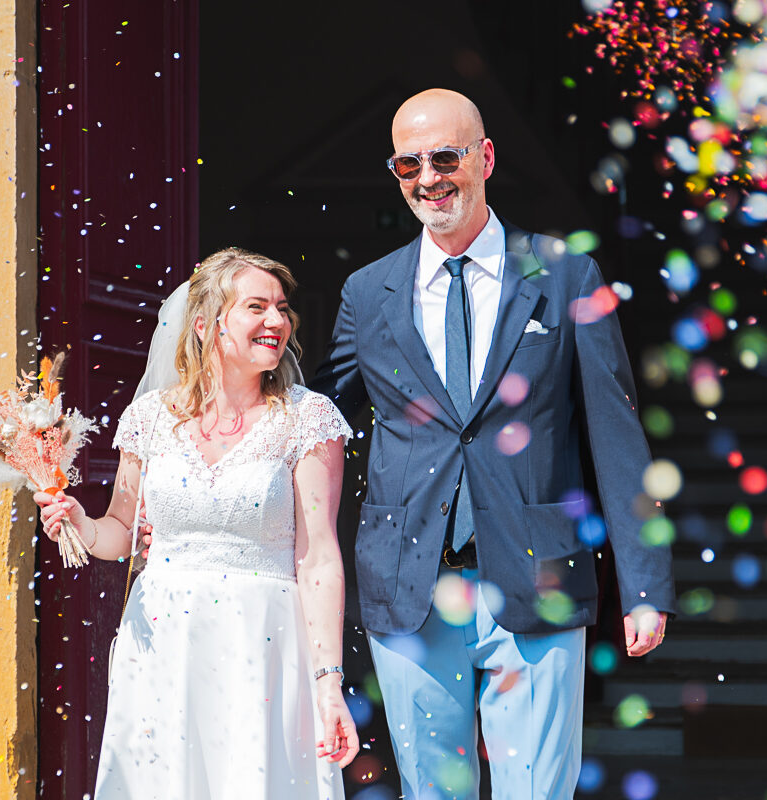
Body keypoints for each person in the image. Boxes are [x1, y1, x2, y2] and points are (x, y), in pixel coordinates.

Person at [309, 89, 676, 799]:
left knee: (536, 789)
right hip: (408, 580)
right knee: (429, 791)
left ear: (485, 158)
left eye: (444, 157)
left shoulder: (566, 275)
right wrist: (209, 414)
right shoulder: (369, 291)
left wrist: (643, 584)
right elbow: (318, 415)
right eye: (407, 163)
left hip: (537, 575)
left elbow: (616, 436)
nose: (427, 177)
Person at [34, 247, 359, 800]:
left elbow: (319, 557)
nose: (277, 322)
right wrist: (80, 524)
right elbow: (121, 529)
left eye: (282, 308)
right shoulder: (150, 418)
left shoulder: (308, 418)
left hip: (265, 639)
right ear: (206, 324)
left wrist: (329, 684)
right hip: (165, 639)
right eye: (256, 307)